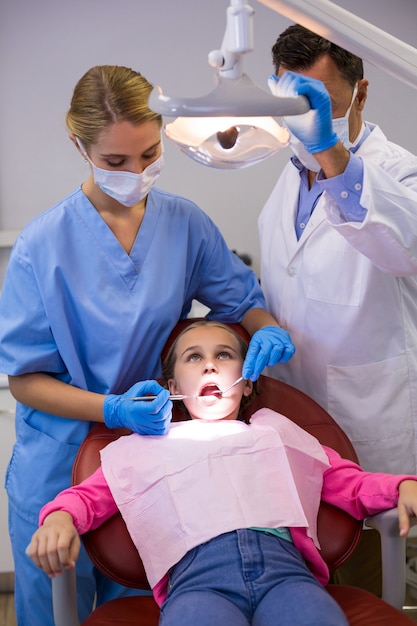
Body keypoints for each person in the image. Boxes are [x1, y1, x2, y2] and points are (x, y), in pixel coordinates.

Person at [0, 65, 295, 626]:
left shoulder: (183, 223)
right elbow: (25, 379)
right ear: (78, 146)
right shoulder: (44, 244)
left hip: (152, 454)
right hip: (59, 456)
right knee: (51, 610)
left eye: (150, 154)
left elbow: (239, 299)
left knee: (136, 606)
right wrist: (110, 409)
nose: (136, 172)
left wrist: (266, 326)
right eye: (116, 161)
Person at [27, 319, 417, 626]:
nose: (210, 363)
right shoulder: (142, 446)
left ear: (247, 384)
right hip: (197, 583)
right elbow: (87, 498)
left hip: (287, 574)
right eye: (194, 357)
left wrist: (402, 488)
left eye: (225, 354)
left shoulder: (276, 432)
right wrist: (59, 518)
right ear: (172, 385)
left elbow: (349, 483)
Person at [258, 24, 417, 594]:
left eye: (315, 102)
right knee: (304, 572)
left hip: (367, 413)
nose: (300, 119)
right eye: (289, 102)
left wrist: (330, 149)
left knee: (364, 575)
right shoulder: (286, 176)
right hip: (294, 406)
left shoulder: (400, 171)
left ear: (361, 93)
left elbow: (405, 245)